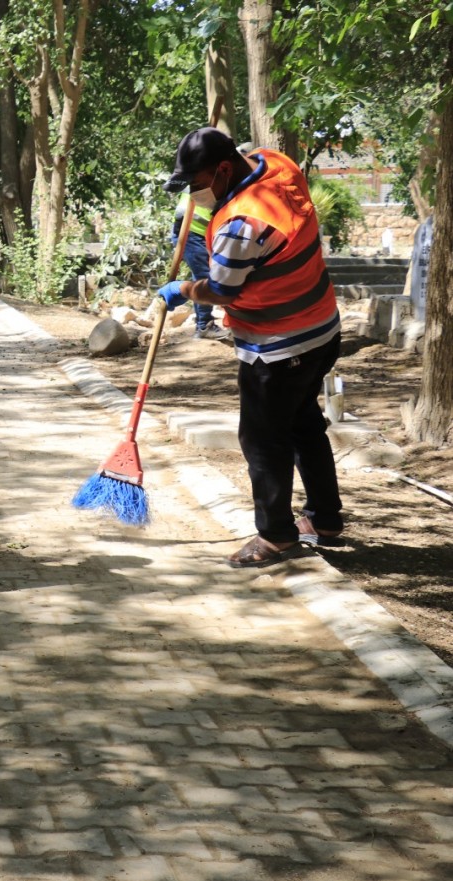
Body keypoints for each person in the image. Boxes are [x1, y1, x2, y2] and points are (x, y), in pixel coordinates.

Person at [158, 126, 344, 568]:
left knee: (262, 439)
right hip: (321, 325)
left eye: (199, 185)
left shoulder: (243, 224)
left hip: (280, 345)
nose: (195, 196)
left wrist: (182, 289)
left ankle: (276, 538)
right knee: (302, 424)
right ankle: (324, 521)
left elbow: (222, 290)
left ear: (223, 170)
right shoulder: (274, 164)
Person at [171, 192, 230, 341]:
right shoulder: (210, 177)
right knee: (205, 276)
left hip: (196, 231)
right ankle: (204, 325)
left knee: (200, 276)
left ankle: (203, 325)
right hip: (190, 231)